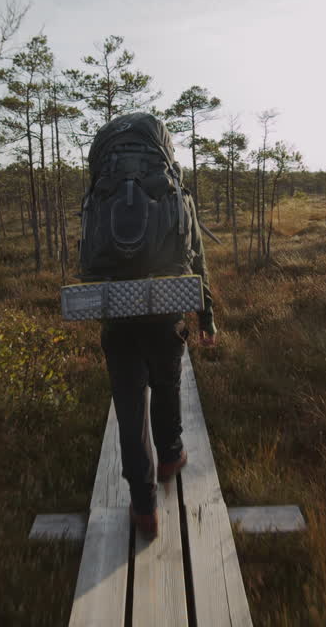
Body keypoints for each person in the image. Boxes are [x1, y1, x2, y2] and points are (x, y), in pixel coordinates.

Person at [93, 114, 218, 537]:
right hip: (167, 311)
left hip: (116, 312)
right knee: (167, 386)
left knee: (129, 408)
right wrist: (207, 318)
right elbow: (198, 260)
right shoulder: (175, 190)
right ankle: (170, 455)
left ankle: (143, 506)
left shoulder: (105, 188)